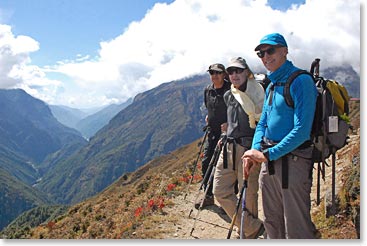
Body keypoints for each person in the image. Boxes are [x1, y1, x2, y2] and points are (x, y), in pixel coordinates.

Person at [242, 33, 318, 239]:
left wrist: (267, 155)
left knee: (296, 226)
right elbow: (263, 123)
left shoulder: (301, 81)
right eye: (261, 53)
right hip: (270, 161)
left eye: (270, 50)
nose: (265, 56)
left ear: (285, 51)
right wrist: (253, 151)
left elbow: (302, 131)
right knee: (271, 222)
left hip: (293, 163)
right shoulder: (272, 85)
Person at [213, 57, 265, 239]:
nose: (234, 74)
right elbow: (232, 120)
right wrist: (225, 134)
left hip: (249, 149)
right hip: (229, 147)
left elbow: (263, 123)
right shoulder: (229, 95)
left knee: (248, 193)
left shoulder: (259, 94)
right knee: (220, 190)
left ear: (246, 72)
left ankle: (247, 233)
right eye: (231, 71)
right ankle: (253, 227)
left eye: (238, 70)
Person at [195, 63, 231, 209]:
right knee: (206, 162)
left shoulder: (230, 90)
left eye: (217, 73)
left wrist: (230, 122)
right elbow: (209, 106)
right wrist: (208, 116)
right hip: (213, 131)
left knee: (227, 166)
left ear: (223, 74)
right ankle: (208, 196)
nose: (214, 76)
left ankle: (228, 201)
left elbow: (237, 109)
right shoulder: (208, 90)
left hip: (228, 134)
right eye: (212, 73)